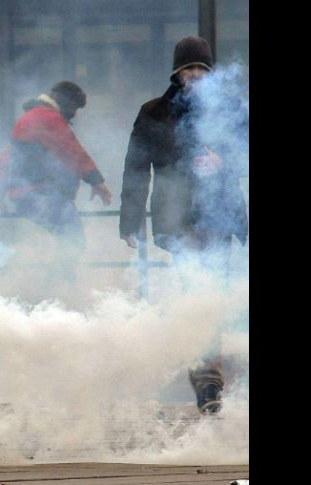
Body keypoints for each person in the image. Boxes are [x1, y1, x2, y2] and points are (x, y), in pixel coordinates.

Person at [118, 36, 248, 414]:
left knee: (212, 289)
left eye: (201, 69)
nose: (194, 76)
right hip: (177, 218)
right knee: (197, 287)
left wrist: (223, 163)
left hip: (219, 216)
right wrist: (130, 220)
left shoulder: (231, 108)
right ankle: (206, 375)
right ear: (177, 72)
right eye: (188, 69)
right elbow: (136, 166)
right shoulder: (155, 112)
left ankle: (206, 372)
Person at [0, 81, 112, 284]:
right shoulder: (46, 117)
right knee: (73, 238)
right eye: (74, 108)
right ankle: (59, 285)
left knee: (66, 239)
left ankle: (55, 284)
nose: (74, 114)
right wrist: (96, 181)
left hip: (29, 193)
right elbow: (71, 150)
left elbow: (6, 157)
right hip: (39, 193)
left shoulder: (31, 117)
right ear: (66, 102)